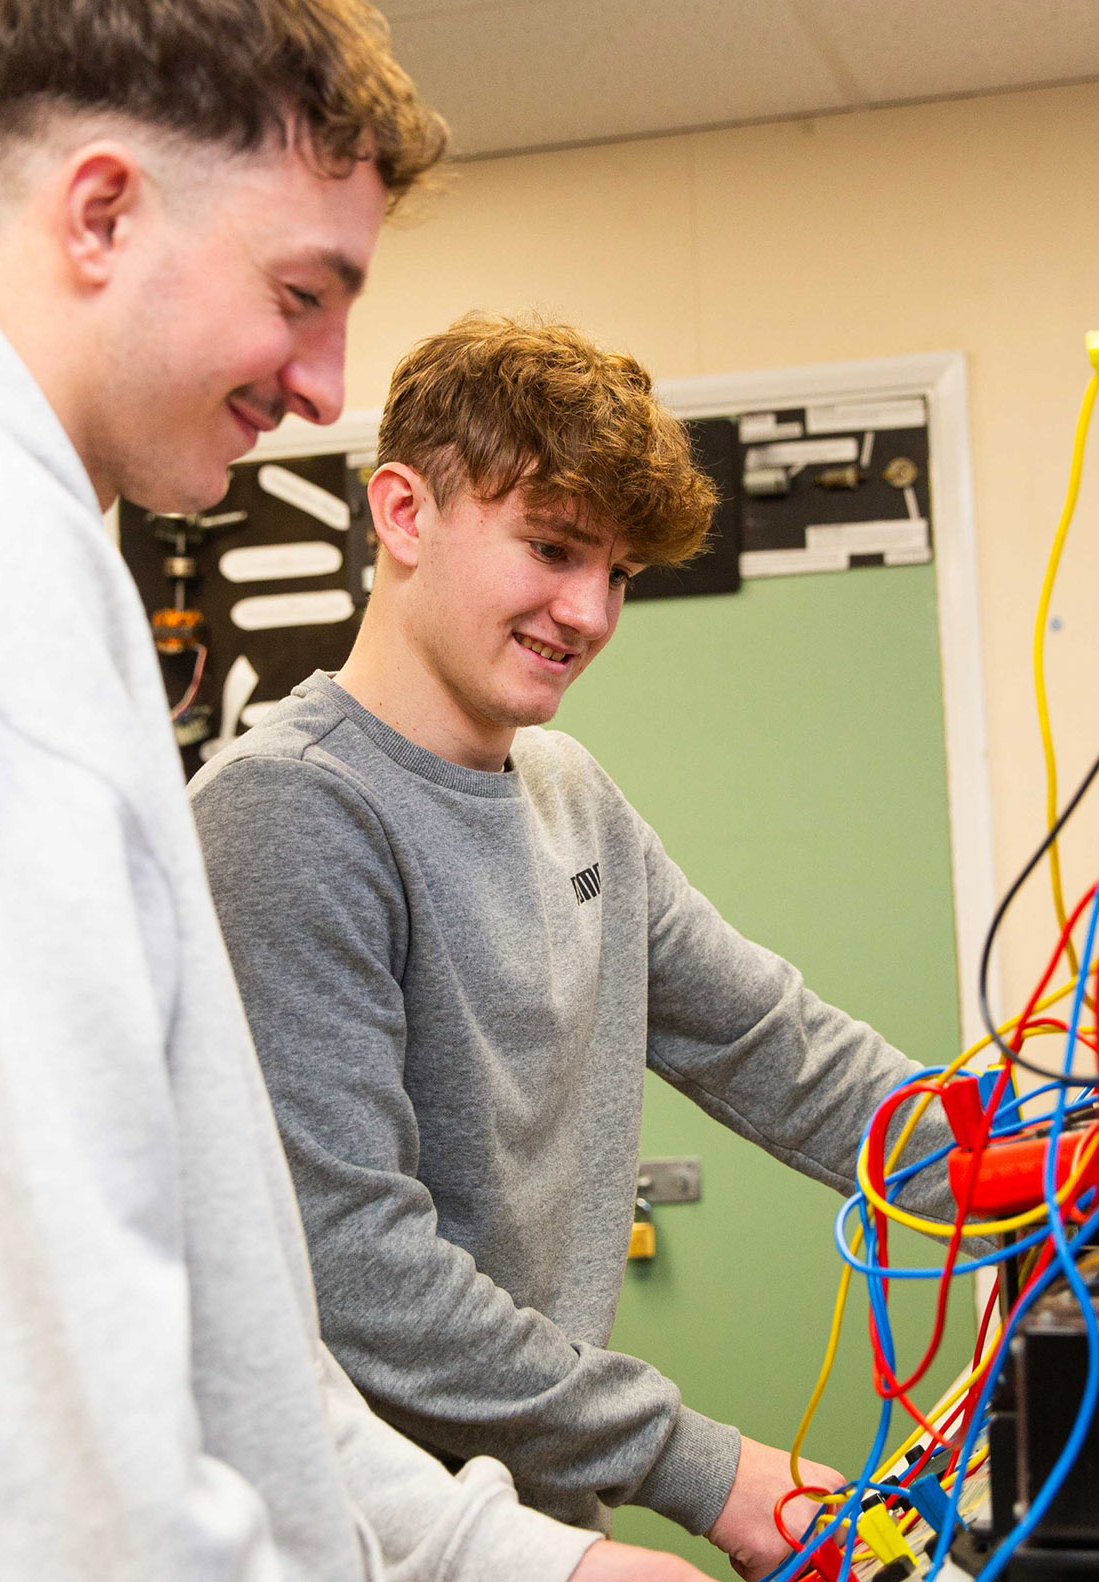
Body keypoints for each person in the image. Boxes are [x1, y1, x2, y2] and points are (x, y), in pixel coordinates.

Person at [0, 5, 704, 1577]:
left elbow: (193, 1320)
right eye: (301, 296)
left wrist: (521, 1558)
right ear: (102, 213)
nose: (323, 383)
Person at [189, 314, 962, 1578]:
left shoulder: (566, 793)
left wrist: (1066, 1166)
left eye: (617, 575)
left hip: (545, 1526)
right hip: (361, 1544)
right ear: (402, 513)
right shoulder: (290, 813)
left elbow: (778, 1048)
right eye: (550, 550)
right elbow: (355, 1273)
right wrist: (706, 1469)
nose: (588, 612)